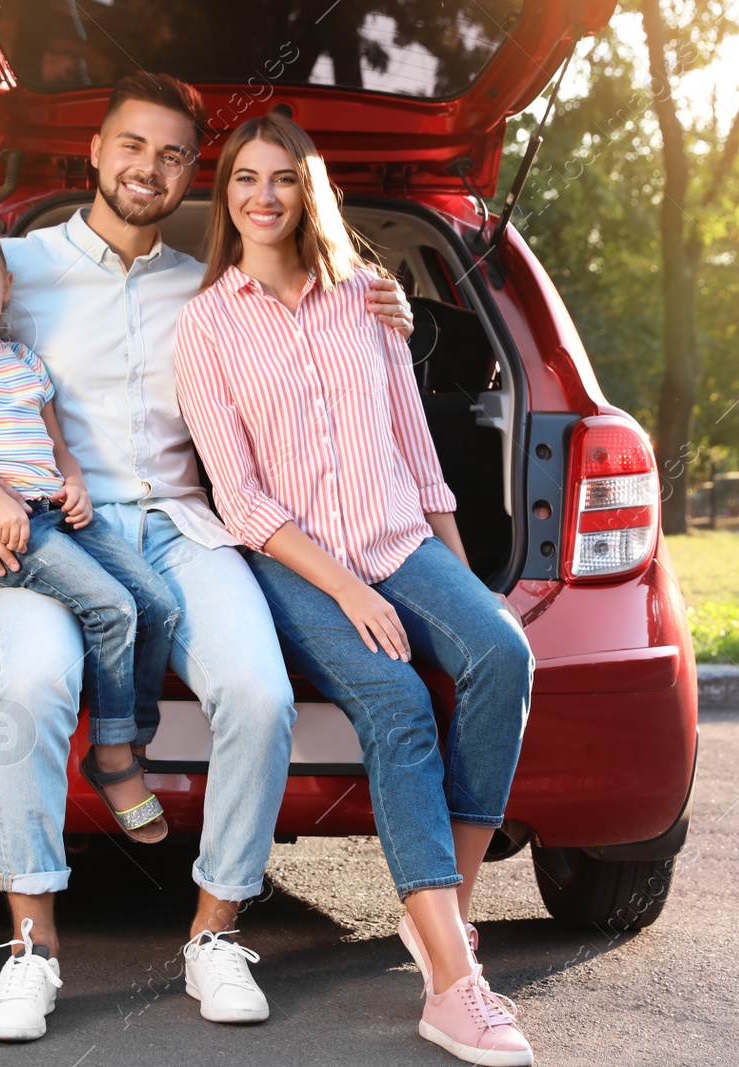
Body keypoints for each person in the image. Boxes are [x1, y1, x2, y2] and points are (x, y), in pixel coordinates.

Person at [0, 72, 417, 1043]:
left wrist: (383, 304)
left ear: (187, 174)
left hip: (180, 521)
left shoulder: (206, 282)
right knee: (34, 689)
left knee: (257, 695)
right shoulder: (10, 268)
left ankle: (215, 931)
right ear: (95, 150)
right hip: (44, 528)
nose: (148, 168)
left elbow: (307, 308)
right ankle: (32, 948)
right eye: (133, 145)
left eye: (171, 155)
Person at [173, 112, 536, 1066]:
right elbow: (242, 499)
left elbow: (418, 454)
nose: (263, 196)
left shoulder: (367, 299)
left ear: (308, 191)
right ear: (227, 198)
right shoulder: (206, 325)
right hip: (293, 562)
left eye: (282, 178)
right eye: (245, 179)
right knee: (400, 702)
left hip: (400, 538)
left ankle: (438, 917)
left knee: (503, 652)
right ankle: (455, 986)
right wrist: (352, 593)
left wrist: (457, 582)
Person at [0, 217, 177, 849]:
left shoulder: (23, 362)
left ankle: (131, 735)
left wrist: (72, 480)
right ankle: (115, 758)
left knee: (158, 605)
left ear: (7, 287)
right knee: (113, 607)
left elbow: (56, 443)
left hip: (58, 511)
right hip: (4, 528)